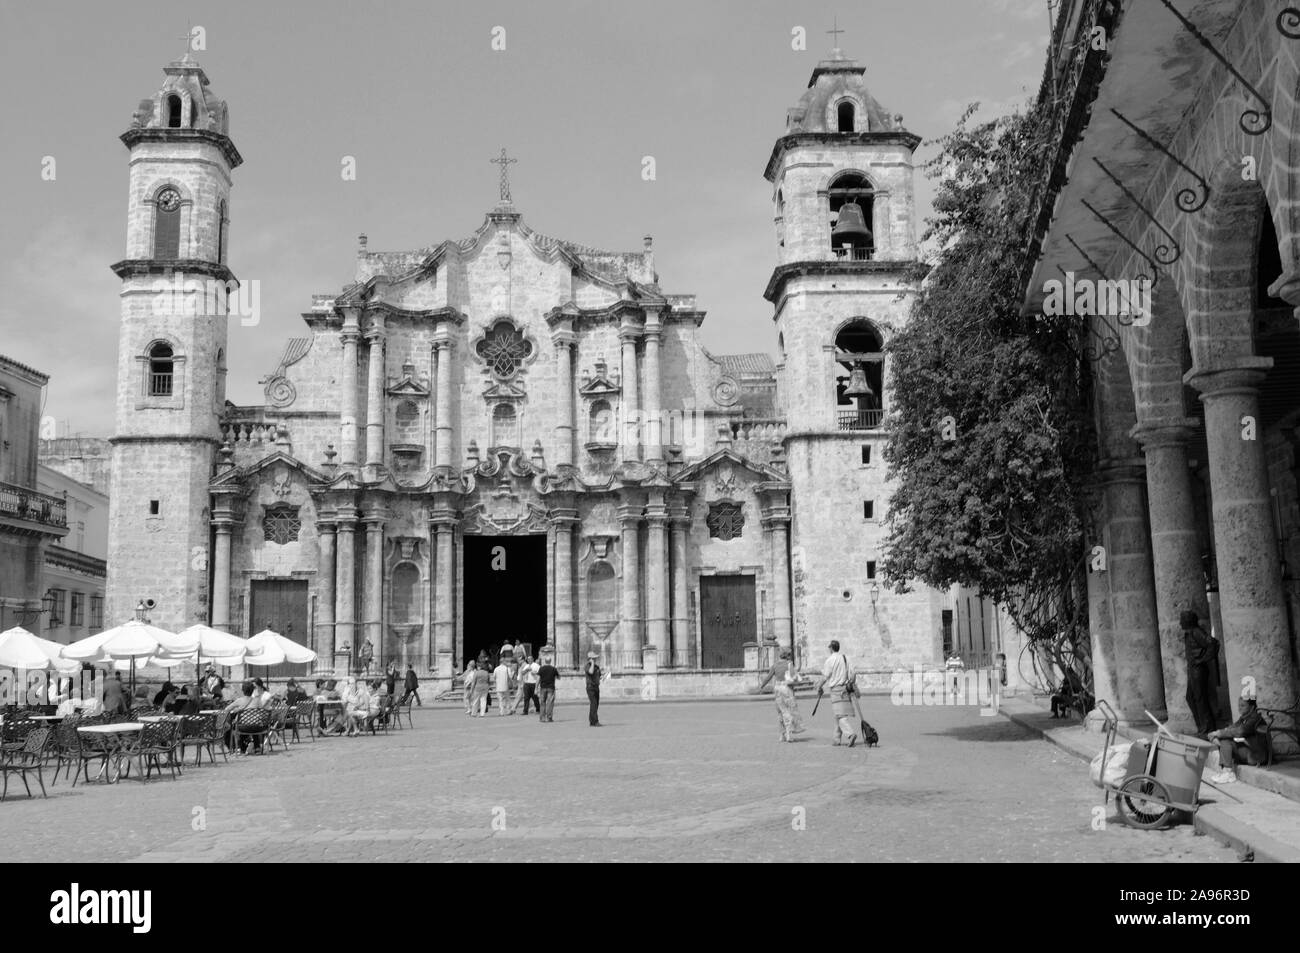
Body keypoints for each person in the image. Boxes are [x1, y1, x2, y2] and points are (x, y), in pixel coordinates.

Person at [1209, 682, 1268, 783]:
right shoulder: (1244, 718)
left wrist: (1219, 733)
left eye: (1243, 706)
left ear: (1252, 707)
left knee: (1225, 740)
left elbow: (1240, 731)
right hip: (1247, 753)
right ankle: (1225, 771)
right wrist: (1217, 734)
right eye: (1239, 705)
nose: (1239, 708)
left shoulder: (1255, 718)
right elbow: (1231, 728)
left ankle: (1228, 773)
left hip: (1256, 755)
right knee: (1224, 739)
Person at [1181, 610, 1224, 737]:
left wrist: (1202, 659)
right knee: (1191, 697)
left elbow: (1214, 643)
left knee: (1200, 699)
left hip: (1198, 670)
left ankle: (1207, 728)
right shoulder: (1190, 633)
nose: (1179, 623)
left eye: (1182, 620)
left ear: (1188, 621)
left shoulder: (1196, 632)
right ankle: (1202, 726)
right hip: (1193, 670)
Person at [756, 648, 806, 742]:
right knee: (789, 711)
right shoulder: (789, 664)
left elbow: (768, 678)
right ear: (787, 656)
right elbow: (793, 676)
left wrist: (761, 686)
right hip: (786, 689)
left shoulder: (775, 665)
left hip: (777, 689)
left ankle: (781, 734)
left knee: (781, 711)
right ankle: (788, 733)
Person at [816, 640, 858, 746]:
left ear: (831, 648)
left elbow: (825, 676)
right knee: (839, 714)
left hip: (835, 690)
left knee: (840, 715)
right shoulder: (845, 658)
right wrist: (851, 684)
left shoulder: (830, 660)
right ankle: (836, 739)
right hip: (845, 689)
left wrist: (819, 686)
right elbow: (853, 674)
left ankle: (850, 734)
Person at [537, 655, 560, 723]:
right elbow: (558, 677)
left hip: (543, 687)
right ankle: (549, 717)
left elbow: (538, 679)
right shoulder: (553, 669)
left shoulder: (541, 668)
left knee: (542, 703)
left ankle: (542, 718)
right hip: (551, 687)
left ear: (545, 661)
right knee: (550, 703)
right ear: (550, 661)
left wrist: (536, 687)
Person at [584, 651, 603, 727]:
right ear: (590, 659)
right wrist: (592, 663)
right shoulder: (588, 666)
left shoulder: (597, 667)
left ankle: (592, 720)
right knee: (594, 703)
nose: (596, 659)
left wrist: (603, 677)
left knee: (595, 704)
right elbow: (591, 672)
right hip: (590, 687)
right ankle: (595, 721)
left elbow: (599, 676)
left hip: (596, 687)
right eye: (594, 658)